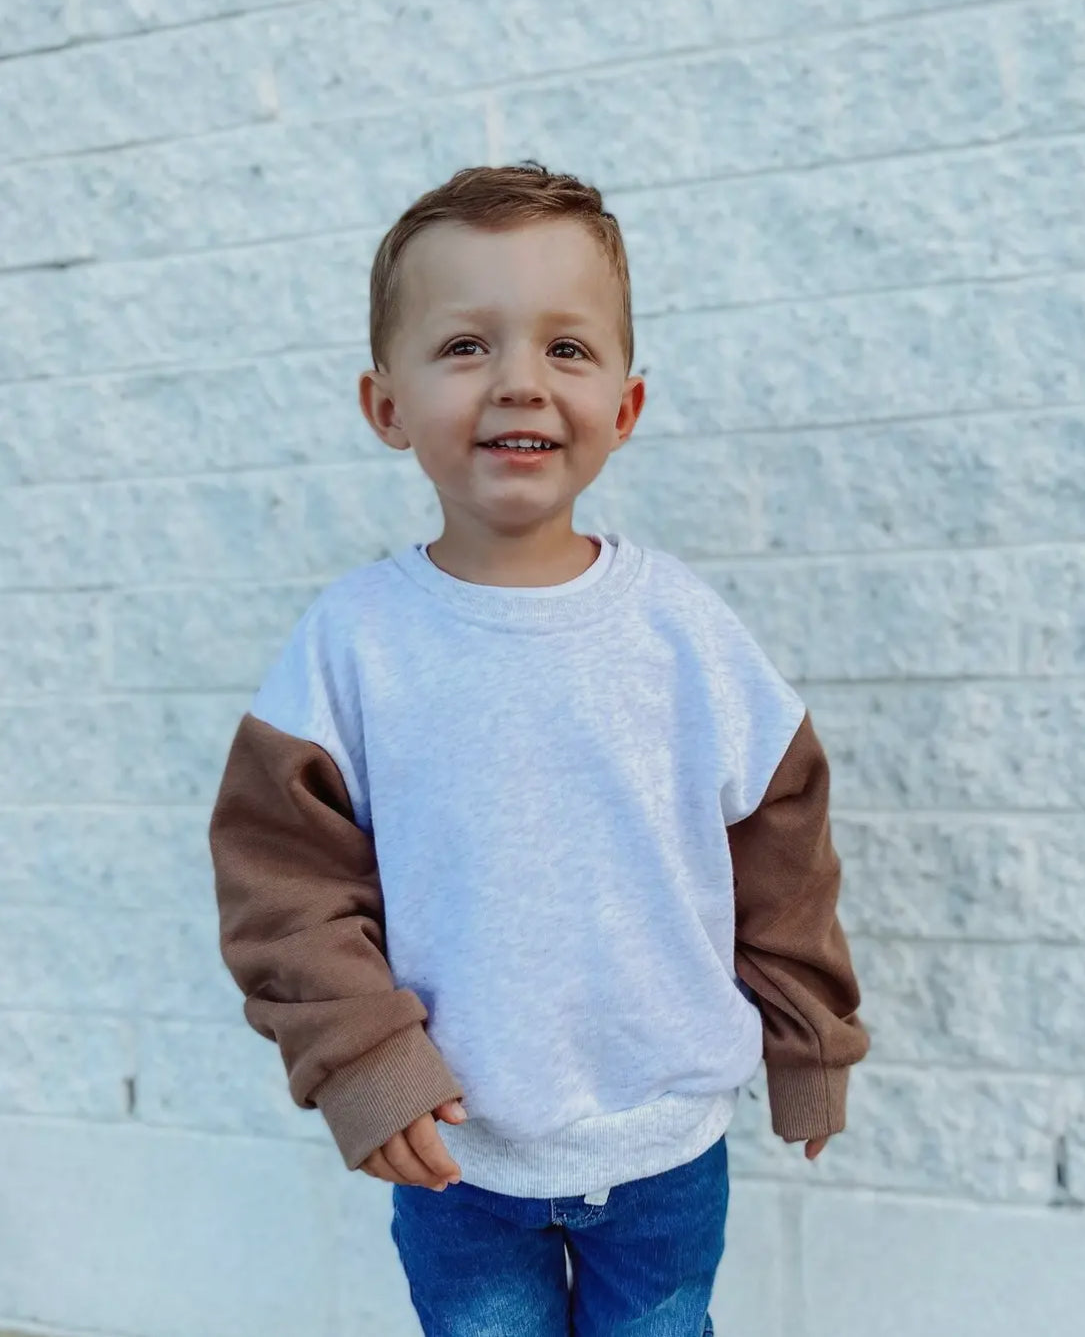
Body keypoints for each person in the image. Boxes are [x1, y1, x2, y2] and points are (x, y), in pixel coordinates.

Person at [208, 161, 870, 1337]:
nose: (520, 380)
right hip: (456, 1153)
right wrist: (363, 1064)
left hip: (665, 1144)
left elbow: (784, 846)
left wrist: (809, 1039)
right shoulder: (351, 647)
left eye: (567, 348)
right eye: (466, 346)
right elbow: (286, 890)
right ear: (385, 406)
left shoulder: (685, 635)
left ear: (625, 405)